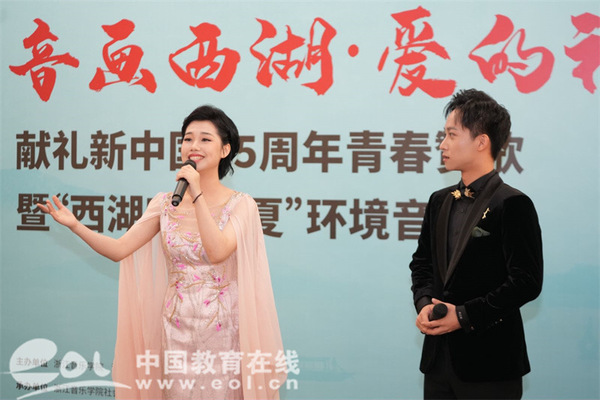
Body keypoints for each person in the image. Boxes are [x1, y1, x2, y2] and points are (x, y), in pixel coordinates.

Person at [38, 105, 286, 400]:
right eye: (187, 139)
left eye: (205, 139)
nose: (194, 146)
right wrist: (76, 226)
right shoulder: (165, 203)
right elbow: (119, 249)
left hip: (224, 334)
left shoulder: (242, 205)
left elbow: (217, 251)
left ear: (225, 149)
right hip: (176, 329)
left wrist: (197, 193)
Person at [409, 89, 543, 399]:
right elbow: (422, 264)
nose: (442, 145)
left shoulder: (513, 204)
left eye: (451, 135)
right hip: (438, 363)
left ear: (481, 142)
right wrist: (424, 304)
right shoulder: (439, 201)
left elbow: (526, 282)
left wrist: (464, 316)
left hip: (491, 363)